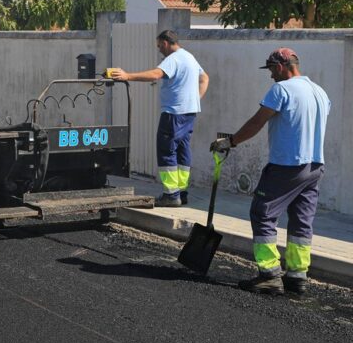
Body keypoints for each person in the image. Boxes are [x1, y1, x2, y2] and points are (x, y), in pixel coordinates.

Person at [210, 48, 330, 295]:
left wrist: (230, 141)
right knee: (301, 221)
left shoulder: (282, 90)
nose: (271, 75)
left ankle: (269, 274)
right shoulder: (319, 91)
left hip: (287, 167)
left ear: (281, 66)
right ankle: (297, 276)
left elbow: (257, 122)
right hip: (315, 167)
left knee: (262, 214)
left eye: (272, 70)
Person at [110, 30, 209, 207]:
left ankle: (171, 195)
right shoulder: (189, 57)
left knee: (167, 151)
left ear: (165, 43)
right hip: (189, 113)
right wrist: (195, 99)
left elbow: (156, 74)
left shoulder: (173, 59)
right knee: (183, 151)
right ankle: (181, 192)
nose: (159, 50)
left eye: (159, 46)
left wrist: (127, 76)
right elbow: (204, 78)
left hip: (173, 114)